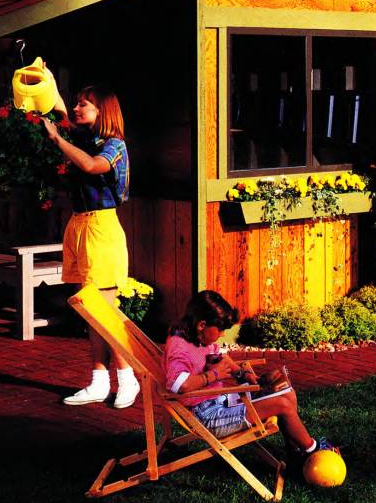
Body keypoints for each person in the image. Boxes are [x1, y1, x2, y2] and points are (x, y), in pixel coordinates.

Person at [42, 84, 140, 409]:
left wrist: (57, 139)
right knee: (89, 309)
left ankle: (128, 379)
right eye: (77, 102)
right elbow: (57, 108)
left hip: (102, 228)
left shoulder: (115, 146)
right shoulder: (84, 139)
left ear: (104, 112)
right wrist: (47, 81)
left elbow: (92, 166)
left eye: (85, 104)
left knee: (105, 311)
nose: (77, 107)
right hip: (80, 224)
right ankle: (99, 381)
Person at [163, 290, 338, 466]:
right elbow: (180, 385)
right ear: (202, 325)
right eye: (221, 329)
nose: (223, 334)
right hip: (207, 415)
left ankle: (297, 453)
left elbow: (220, 357)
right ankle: (313, 450)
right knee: (282, 405)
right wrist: (213, 375)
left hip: (222, 401)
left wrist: (243, 375)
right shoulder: (179, 347)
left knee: (287, 393)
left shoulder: (197, 337)